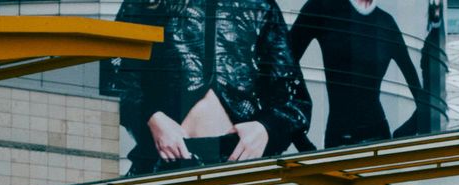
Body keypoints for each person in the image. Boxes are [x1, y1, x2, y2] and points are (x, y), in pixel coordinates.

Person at [110, 0, 312, 175]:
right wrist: (152, 117)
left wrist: (265, 128)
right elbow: (114, 79)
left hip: (240, 162)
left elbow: (294, 100)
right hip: (165, 160)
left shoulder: (260, 6)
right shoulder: (148, 4)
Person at [289, 0, 429, 148]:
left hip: (378, 139)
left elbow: (420, 94)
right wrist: (297, 134)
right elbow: (281, 63)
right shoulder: (321, 8)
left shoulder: (385, 22)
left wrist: (406, 131)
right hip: (338, 141)